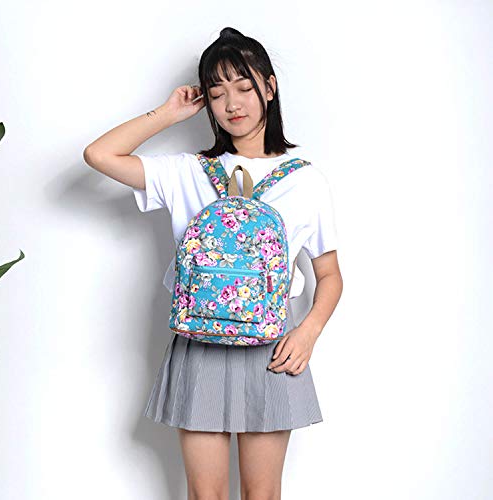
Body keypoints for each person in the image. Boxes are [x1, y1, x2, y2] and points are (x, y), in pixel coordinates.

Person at [83, 26, 343, 500]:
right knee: (206, 496)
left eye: (244, 87)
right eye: (217, 93)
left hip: (273, 348)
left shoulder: (306, 181)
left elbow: (329, 274)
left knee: (262, 495)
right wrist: (167, 113)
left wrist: (308, 332)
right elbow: (98, 155)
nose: (232, 104)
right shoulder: (185, 172)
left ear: (269, 87)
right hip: (198, 342)